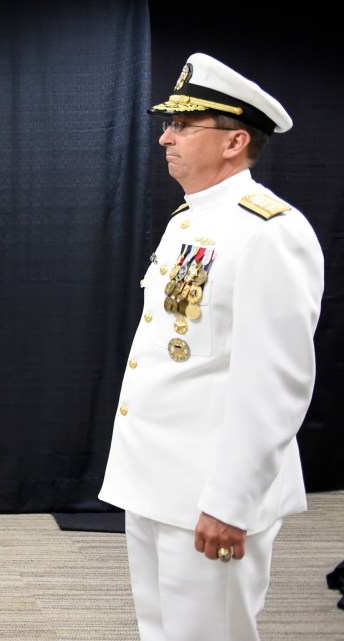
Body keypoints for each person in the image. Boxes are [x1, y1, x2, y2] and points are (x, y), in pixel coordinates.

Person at [99, 52, 323, 641]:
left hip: (210, 492)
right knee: (162, 630)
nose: (164, 137)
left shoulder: (270, 232)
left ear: (234, 141)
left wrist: (232, 501)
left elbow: (274, 384)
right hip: (159, 481)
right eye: (169, 123)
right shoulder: (187, 223)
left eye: (182, 125)